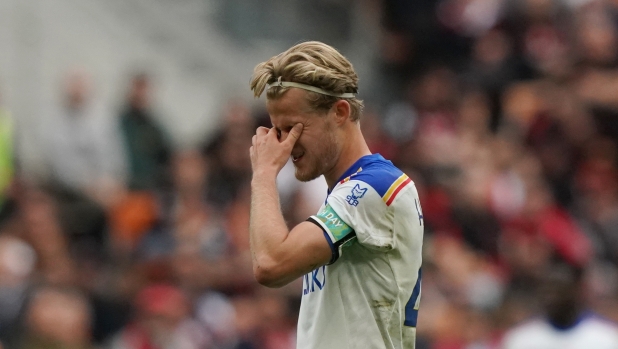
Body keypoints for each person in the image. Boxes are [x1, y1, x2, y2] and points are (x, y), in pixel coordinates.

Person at [248, 41, 424, 349]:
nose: (284, 144)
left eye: (293, 128)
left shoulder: (376, 187)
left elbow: (270, 263)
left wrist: (263, 174)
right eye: (277, 130)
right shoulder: (343, 195)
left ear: (340, 112)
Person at [500, 258, 618, 349]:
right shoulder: (520, 339)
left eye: (560, 291)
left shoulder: (607, 338)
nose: (553, 298)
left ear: (577, 292)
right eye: (548, 292)